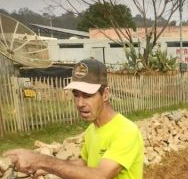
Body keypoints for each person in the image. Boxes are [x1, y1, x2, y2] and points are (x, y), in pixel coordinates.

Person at [4, 58, 144, 179]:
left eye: (87, 95)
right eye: (76, 95)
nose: (80, 103)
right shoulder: (91, 130)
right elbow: (84, 164)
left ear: (105, 94)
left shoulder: (126, 131)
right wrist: (48, 168)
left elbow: (100, 175)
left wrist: (41, 161)